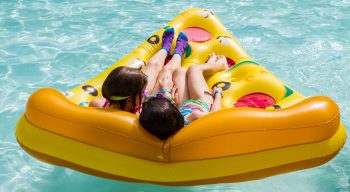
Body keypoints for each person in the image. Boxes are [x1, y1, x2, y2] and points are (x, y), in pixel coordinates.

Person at [89, 27, 187, 113]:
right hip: (151, 103)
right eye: (143, 91)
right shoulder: (141, 114)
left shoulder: (97, 103)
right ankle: (178, 52)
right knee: (167, 71)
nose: (145, 93)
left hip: (131, 98)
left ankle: (165, 48)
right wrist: (167, 93)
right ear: (129, 101)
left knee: (153, 64)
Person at [140, 53, 228, 140]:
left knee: (180, 72)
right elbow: (214, 116)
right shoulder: (194, 116)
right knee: (194, 69)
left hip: (184, 107)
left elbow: (164, 113)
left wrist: (168, 94)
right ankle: (220, 65)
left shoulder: (164, 126)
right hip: (202, 102)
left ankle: (202, 73)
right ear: (173, 112)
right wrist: (218, 94)